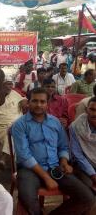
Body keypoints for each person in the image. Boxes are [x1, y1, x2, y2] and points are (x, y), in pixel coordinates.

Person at [12, 87, 95, 215]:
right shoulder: (19, 125)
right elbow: (24, 155)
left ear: (47, 103)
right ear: (28, 102)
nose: (38, 105)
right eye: (34, 101)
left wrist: (64, 161)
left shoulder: (55, 122)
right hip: (30, 170)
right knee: (27, 197)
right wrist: (46, 178)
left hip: (55, 167)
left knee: (87, 198)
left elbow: (63, 146)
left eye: (42, 101)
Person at [0, 69, 27, 167]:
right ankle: (7, 160)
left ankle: (7, 160)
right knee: (12, 133)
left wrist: (24, 102)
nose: (10, 86)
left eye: (11, 84)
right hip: (1, 127)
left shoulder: (15, 94)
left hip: (19, 125)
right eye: (7, 84)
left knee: (16, 131)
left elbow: (24, 101)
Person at [70, 97, 96, 199]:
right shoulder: (76, 126)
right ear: (86, 110)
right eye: (92, 109)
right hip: (84, 163)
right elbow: (77, 154)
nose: (95, 114)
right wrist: (93, 174)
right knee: (86, 185)